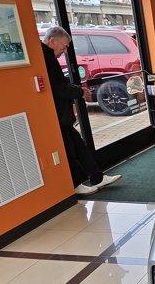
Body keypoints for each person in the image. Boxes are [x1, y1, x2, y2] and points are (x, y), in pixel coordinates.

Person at [41, 27, 121, 195]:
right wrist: (79, 91)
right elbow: (58, 88)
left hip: (63, 115)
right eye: (64, 46)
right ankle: (76, 185)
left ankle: (97, 178)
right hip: (57, 115)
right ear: (52, 41)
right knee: (70, 150)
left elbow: (60, 84)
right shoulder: (44, 58)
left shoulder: (49, 57)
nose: (65, 51)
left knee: (79, 146)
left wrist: (76, 90)